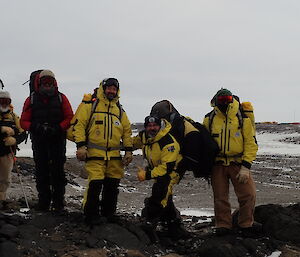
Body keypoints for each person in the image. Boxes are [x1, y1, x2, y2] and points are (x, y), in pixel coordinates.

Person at [73, 78, 133, 226]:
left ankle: (109, 214)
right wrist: (81, 146)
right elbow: (79, 125)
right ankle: (90, 215)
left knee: (112, 186)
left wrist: (128, 151)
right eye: (109, 88)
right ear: (103, 89)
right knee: (95, 184)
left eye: (114, 89)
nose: (111, 91)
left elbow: (127, 132)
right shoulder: (90, 105)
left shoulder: (119, 110)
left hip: (114, 157)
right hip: (94, 155)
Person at [203, 88, 258, 236]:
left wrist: (246, 167)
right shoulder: (209, 119)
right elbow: (204, 143)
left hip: (238, 163)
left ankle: (246, 225)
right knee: (220, 197)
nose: (224, 103)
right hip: (218, 165)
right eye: (221, 100)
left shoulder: (243, 118)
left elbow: (251, 143)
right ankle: (223, 226)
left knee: (248, 195)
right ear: (215, 101)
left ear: (232, 99)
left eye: (227, 99)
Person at [20, 70, 73, 212]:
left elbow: (70, 117)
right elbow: (23, 121)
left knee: (58, 172)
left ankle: (58, 204)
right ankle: (43, 203)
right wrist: (36, 127)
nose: (48, 84)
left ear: (54, 82)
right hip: (39, 141)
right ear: (39, 82)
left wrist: (57, 128)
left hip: (57, 140)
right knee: (41, 172)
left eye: (50, 81)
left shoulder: (62, 98)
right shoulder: (31, 100)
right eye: (45, 81)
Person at [133, 115, 189, 242]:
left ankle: (149, 223)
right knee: (166, 197)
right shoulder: (145, 137)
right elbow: (132, 143)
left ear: (160, 126)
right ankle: (173, 225)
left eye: (155, 126)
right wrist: (125, 149)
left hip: (173, 171)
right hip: (159, 170)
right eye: (149, 126)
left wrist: (147, 175)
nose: (152, 128)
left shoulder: (168, 142)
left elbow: (167, 168)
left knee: (160, 192)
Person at [0, 90, 26, 209]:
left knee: (5, 178)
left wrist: (15, 139)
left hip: (7, 153)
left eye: (7, 101)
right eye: (2, 101)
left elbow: (23, 132)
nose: (4, 104)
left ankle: (2, 199)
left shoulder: (14, 116)